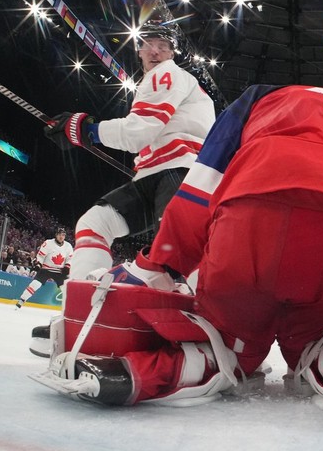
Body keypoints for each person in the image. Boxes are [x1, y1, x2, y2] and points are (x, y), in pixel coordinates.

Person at [34, 85, 323, 412]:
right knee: (318, 344)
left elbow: (199, 190)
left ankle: (130, 374)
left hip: (252, 218)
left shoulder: (252, 101)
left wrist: (160, 261)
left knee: (226, 348)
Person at [44, 22, 216, 281]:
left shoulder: (168, 74)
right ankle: (83, 300)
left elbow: (139, 132)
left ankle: (191, 314)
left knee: (175, 260)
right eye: (148, 45)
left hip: (180, 172)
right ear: (139, 51)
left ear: (172, 54)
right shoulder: (159, 82)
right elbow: (148, 135)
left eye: (163, 46)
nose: (155, 51)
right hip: (157, 176)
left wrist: (89, 131)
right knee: (95, 223)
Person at [14, 228, 73, 309]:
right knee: (35, 284)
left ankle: (71, 308)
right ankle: (21, 300)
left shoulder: (68, 246)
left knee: (66, 289)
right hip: (46, 269)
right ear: (56, 235)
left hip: (60, 271)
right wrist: (38, 264)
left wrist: (67, 266)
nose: (61, 237)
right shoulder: (48, 243)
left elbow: (70, 258)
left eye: (63, 235)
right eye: (59, 234)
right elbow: (41, 256)